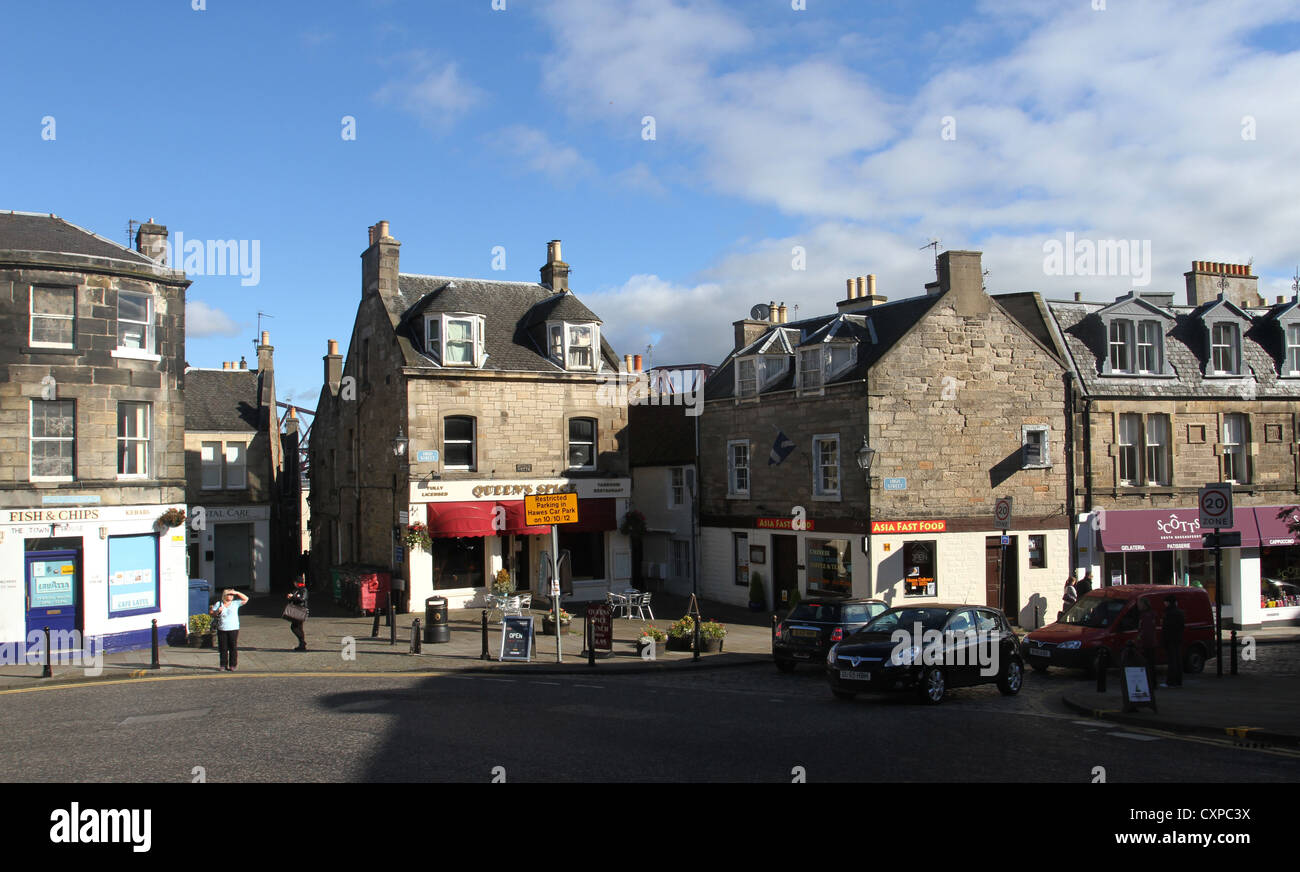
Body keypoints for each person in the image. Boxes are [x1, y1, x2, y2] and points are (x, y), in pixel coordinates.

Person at [210, 589, 249, 671]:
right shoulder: (219, 604)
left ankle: (233, 665)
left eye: (232, 595)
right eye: (229, 594)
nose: (231, 596)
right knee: (223, 648)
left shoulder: (235, 603)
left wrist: (237, 593)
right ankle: (223, 665)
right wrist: (217, 611)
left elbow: (246, 599)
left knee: (233, 647)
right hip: (222, 628)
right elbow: (212, 613)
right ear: (224, 595)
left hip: (233, 628)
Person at [1163, 595, 1185, 687]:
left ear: (1168, 602)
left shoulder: (1168, 613)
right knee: (1177, 660)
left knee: (1172, 661)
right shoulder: (1180, 612)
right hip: (1178, 638)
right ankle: (1178, 681)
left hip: (1170, 639)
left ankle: (1171, 681)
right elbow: (1182, 626)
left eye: (1165, 602)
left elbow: (1166, 628)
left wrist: (1164, 639)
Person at [1138, 597, 1159, 689]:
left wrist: (1140, 639)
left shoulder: (1146, 616)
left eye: (1140, 604)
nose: (1138, 606)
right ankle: (1152, 682)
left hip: (1147, 643)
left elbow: (1146, 631)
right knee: (1150, 664)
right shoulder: (1150, 614)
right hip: (1151, 643)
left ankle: (1150, 683)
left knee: (1148, 664)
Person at [286, 575, 309, 651]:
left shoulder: (303, 589)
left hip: (301, 610)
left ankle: (302, 642)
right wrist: (290, 597)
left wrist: (293, 597)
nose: (294, 584)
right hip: (296, 609)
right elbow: (294, 599)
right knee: (298, 627)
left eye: (295, 582)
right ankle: (301, 644)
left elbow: (302, 599)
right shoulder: (296, 590)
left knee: (295, 627)